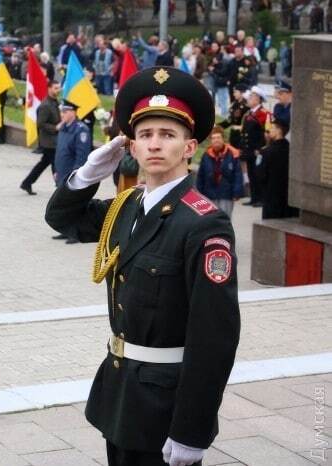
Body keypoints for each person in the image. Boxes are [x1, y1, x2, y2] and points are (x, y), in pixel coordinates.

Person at [45, 67, 240, 466]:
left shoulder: (203, 223)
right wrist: (88, 174)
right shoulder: (126, 205)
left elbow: (214, 337)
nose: (154, 145)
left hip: (164, 405)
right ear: (131, 147)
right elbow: (62, 220)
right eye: (145, 135)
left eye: (168, 135)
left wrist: (192, 430)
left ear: (189, 147)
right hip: (119, 393)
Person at [53, 99, 92, 244]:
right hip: (61, 172)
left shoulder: (81, 130)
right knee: (63, 204)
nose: (62, 114)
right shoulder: (63, 128)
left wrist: (76, 175)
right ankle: (64, 230)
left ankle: (75, 233)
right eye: (61, 111)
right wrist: (55, 170)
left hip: (71, 174)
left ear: (73, 113)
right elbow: (59, 151)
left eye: (65, 111)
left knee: (74, 204)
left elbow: (81, 156)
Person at [20, 80, 61, 195]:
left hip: (53, 140)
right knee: (56, 165)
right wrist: (55, 128)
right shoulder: (45, 105)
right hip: (49, 142)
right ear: (49, 88)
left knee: (43, 164)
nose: (58, 90)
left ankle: (27, 183)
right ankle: (60, 189)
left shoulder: (55, 102)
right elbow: (40, 123)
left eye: (58, 88)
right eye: (55, 88)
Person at [196, 126, 244, 217]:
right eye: (213, 138)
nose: (216, 140)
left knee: (225, 220)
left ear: (223, 139)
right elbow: (200, 176)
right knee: (209, 221)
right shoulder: (206, 155)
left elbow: (237, 174)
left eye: (218, 137)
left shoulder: (232, 154)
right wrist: (198, 193)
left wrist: (237, 192)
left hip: (226, 194)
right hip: (209, 194)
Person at [261, 121, 298, 219]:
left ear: (279, 131)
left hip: (272, 195)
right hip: (287, 195)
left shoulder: (268, 151)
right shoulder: (291, 148)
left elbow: (261, 174)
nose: (269, 131)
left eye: (272, 128)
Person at [240, 86, 269, 206]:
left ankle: (261, 199)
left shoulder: (263, 114)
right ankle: (254, 198)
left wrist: (260, 148)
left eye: (251, 97)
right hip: (249, 149)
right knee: (251, 174)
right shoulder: (249, 113)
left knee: (258, 174)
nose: (248, 99)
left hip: (257, 150)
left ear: (257, 99)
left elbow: (265, 133)